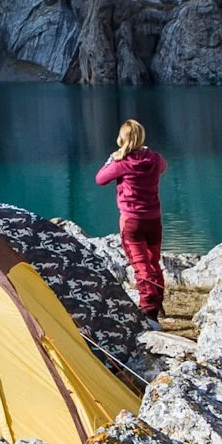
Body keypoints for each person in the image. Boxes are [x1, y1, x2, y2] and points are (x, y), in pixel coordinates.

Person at [95, 118, 167, 323]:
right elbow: (163, 166)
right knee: (153, 261)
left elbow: (100, 179)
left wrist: (111, 160)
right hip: (153, 219)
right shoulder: (154, 158)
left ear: (122, 139)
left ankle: (149, 310)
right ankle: (157, 300)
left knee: (140, 264)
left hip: (132, 221)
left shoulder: (121, 163)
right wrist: (146, 153)